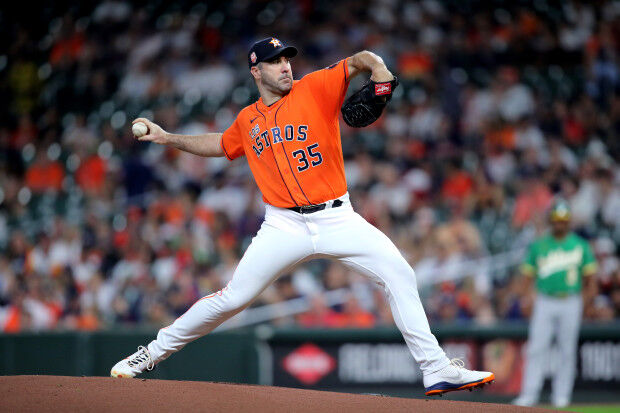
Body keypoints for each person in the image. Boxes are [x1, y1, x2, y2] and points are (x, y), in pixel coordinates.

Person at [110, 37, 494, 395]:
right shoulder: (248, 120)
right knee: (231, 299)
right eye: (274, 62)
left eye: (287, 59)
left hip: (338, 218)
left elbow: (361, 60)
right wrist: (167, 137)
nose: (285, 67)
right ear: (256, 71)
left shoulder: (315, 87)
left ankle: (436, 368)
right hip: (283, 225)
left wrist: (379, 70)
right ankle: (151, 353)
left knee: (400, 274)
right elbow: (220, 144)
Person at [513, 200, 597, 407]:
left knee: (567, 350)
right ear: (551, 221)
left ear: (568, 222)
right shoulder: (539, 245)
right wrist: (525, 299)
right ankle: (529, 394)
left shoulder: (580, 245)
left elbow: (590, 280)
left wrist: (585, 303)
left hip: (571, 299)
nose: (560, 224)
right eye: (557, 220)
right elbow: (526, 278)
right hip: (545, 299)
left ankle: (561, 396)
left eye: (564, 220)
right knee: (536, 348)